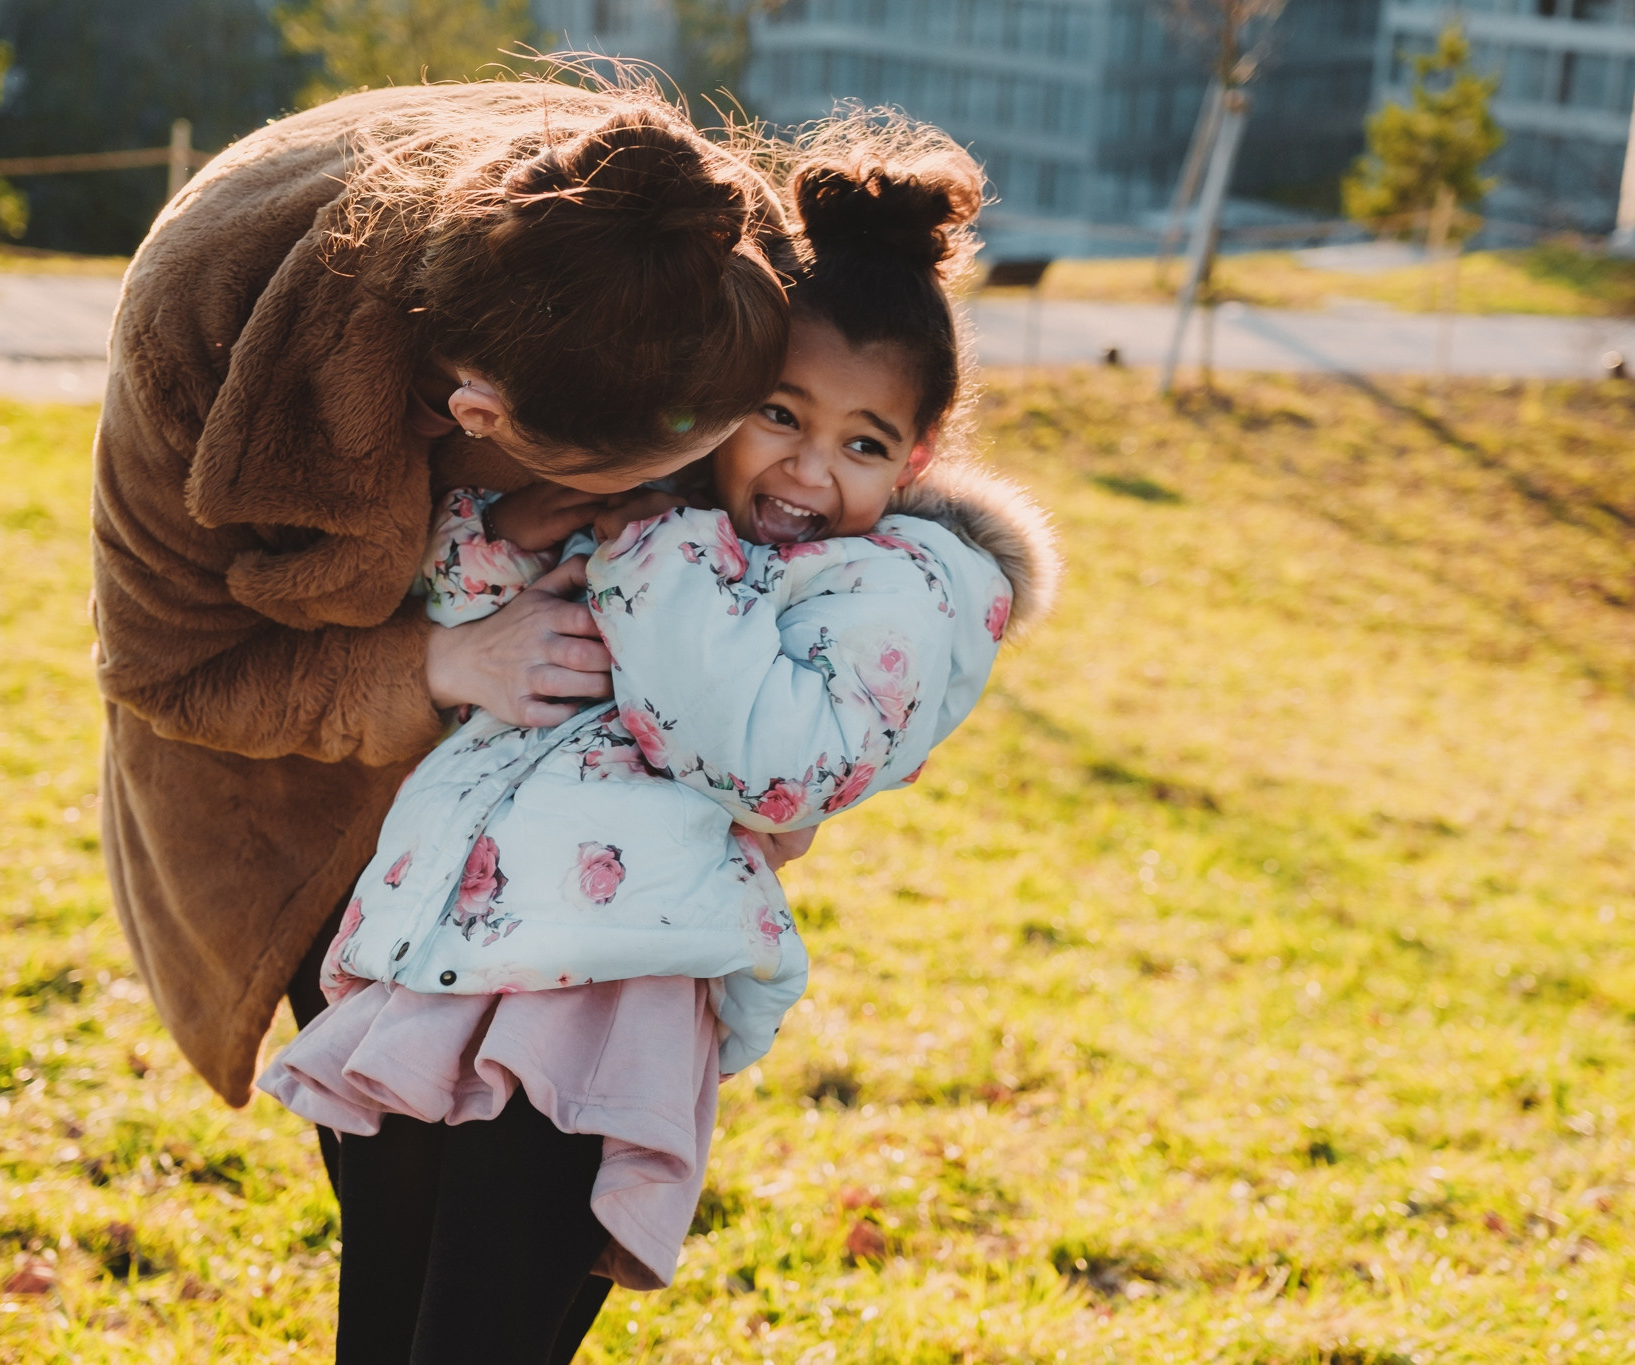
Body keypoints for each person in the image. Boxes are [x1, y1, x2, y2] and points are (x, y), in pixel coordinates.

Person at [257, 128, 1062, 1362]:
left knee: (480, 1334)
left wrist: (648, 542)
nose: (805, 469)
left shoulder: (901, 590)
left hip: (601, 992)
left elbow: (768, 760)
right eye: (777, 416)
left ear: (916, 458)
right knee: (381, 1323)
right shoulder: (659, 506)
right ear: (722, 404)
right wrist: (518, 523)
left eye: (859, 443)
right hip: (437, 952)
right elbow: (451, 610)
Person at [90, 77, 805, 1355]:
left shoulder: (704, 245)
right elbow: (169, 666)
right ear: (481, 423)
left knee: (523, 1211)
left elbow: (823, 468)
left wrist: (793, 747)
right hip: (303, 796)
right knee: (400, 1179)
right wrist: (443, 664)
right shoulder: (198, 317)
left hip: (612, 821)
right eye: (616, 487)